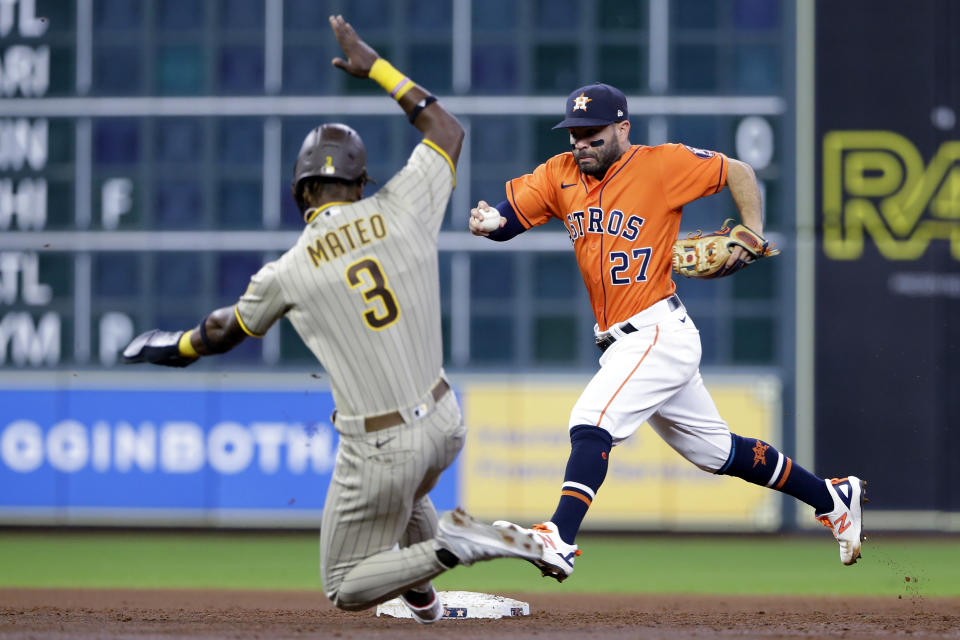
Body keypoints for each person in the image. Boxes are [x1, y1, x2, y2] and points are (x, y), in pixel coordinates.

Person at [122, 15, 542, 623]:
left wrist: (175, 346)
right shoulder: (404, 205)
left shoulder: (288, 269)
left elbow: (221, 333)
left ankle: (458, 544)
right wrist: (375, 67)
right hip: (446, 422)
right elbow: (447, 129)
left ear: (300, 192)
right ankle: (427, 607)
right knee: (409, 495)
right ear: (359, 179)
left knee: (345, 585)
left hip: (379, 444)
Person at [469, 82, 865, 582]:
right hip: (620, 342)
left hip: (657, 330)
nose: (580, 143)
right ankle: (834, 498)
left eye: (592, 134)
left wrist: (753, 231)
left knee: (591, 420)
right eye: (574, 133)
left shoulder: (663, 164)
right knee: (719, 453)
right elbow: (508, 220)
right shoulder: (559, 173)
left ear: (622, 128)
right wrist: (488, 222)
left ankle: (560, 538)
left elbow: (737, 171)